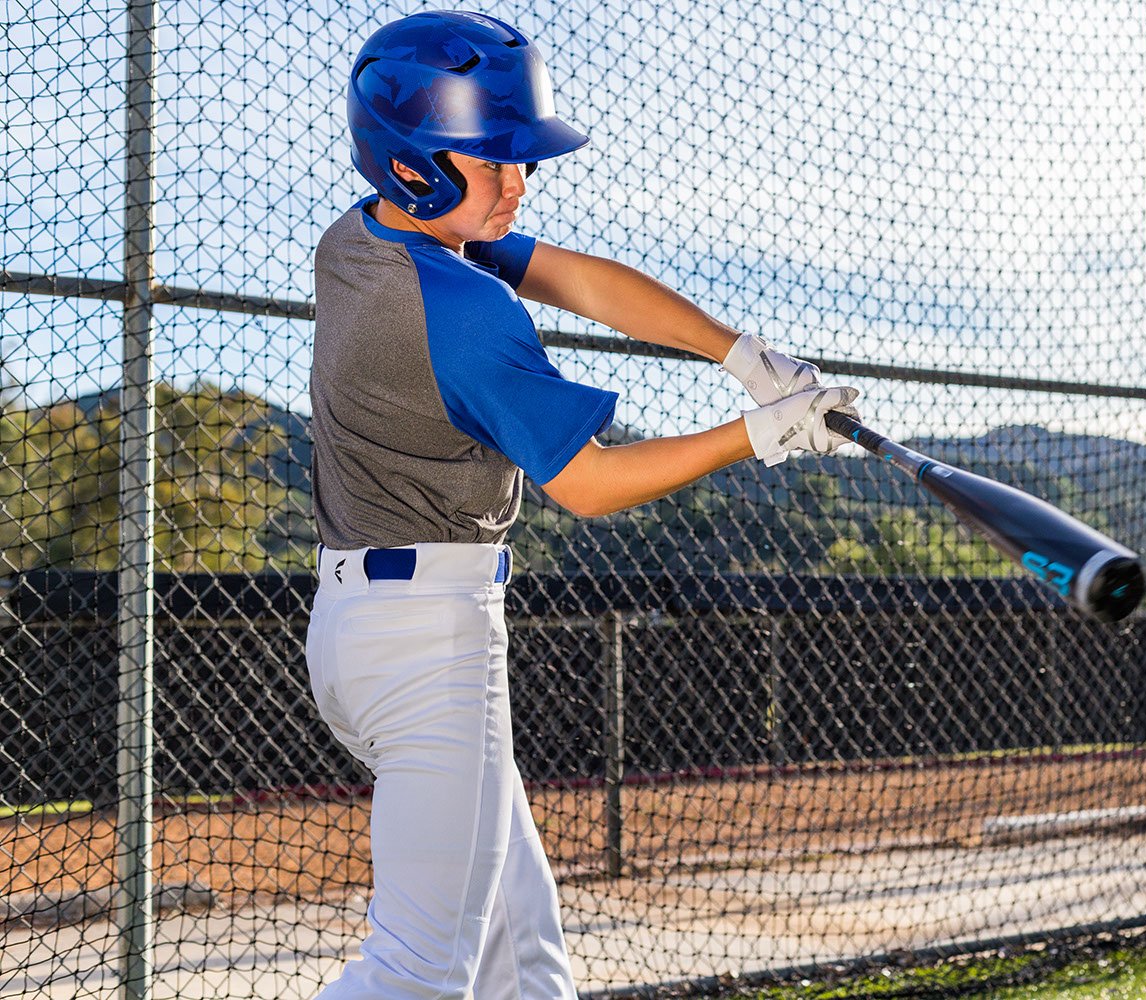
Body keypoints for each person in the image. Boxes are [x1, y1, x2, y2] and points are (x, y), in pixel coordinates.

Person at [305, 10, 858, 999]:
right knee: (422, 968)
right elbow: (590, 484)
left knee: (522, 952)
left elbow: (577, 279)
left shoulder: (362, 237)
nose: (518, 181)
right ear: (417, 165)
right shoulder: (465, 314)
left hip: (364, 627)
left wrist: (739, 356)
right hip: (429, 642)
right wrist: (759, 435)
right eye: (491, 161)